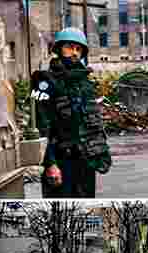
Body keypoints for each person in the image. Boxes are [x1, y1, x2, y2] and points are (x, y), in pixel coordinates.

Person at [32, 27, 111, 198]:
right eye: (69, 47)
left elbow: (94, 125)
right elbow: (41, 125)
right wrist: (50, 164)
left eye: (78, 49)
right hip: (60, 160)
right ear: (59, 49)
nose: (74, 53)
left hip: (86, 161)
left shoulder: (86, 84)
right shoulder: (44, 81)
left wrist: (100, 154)